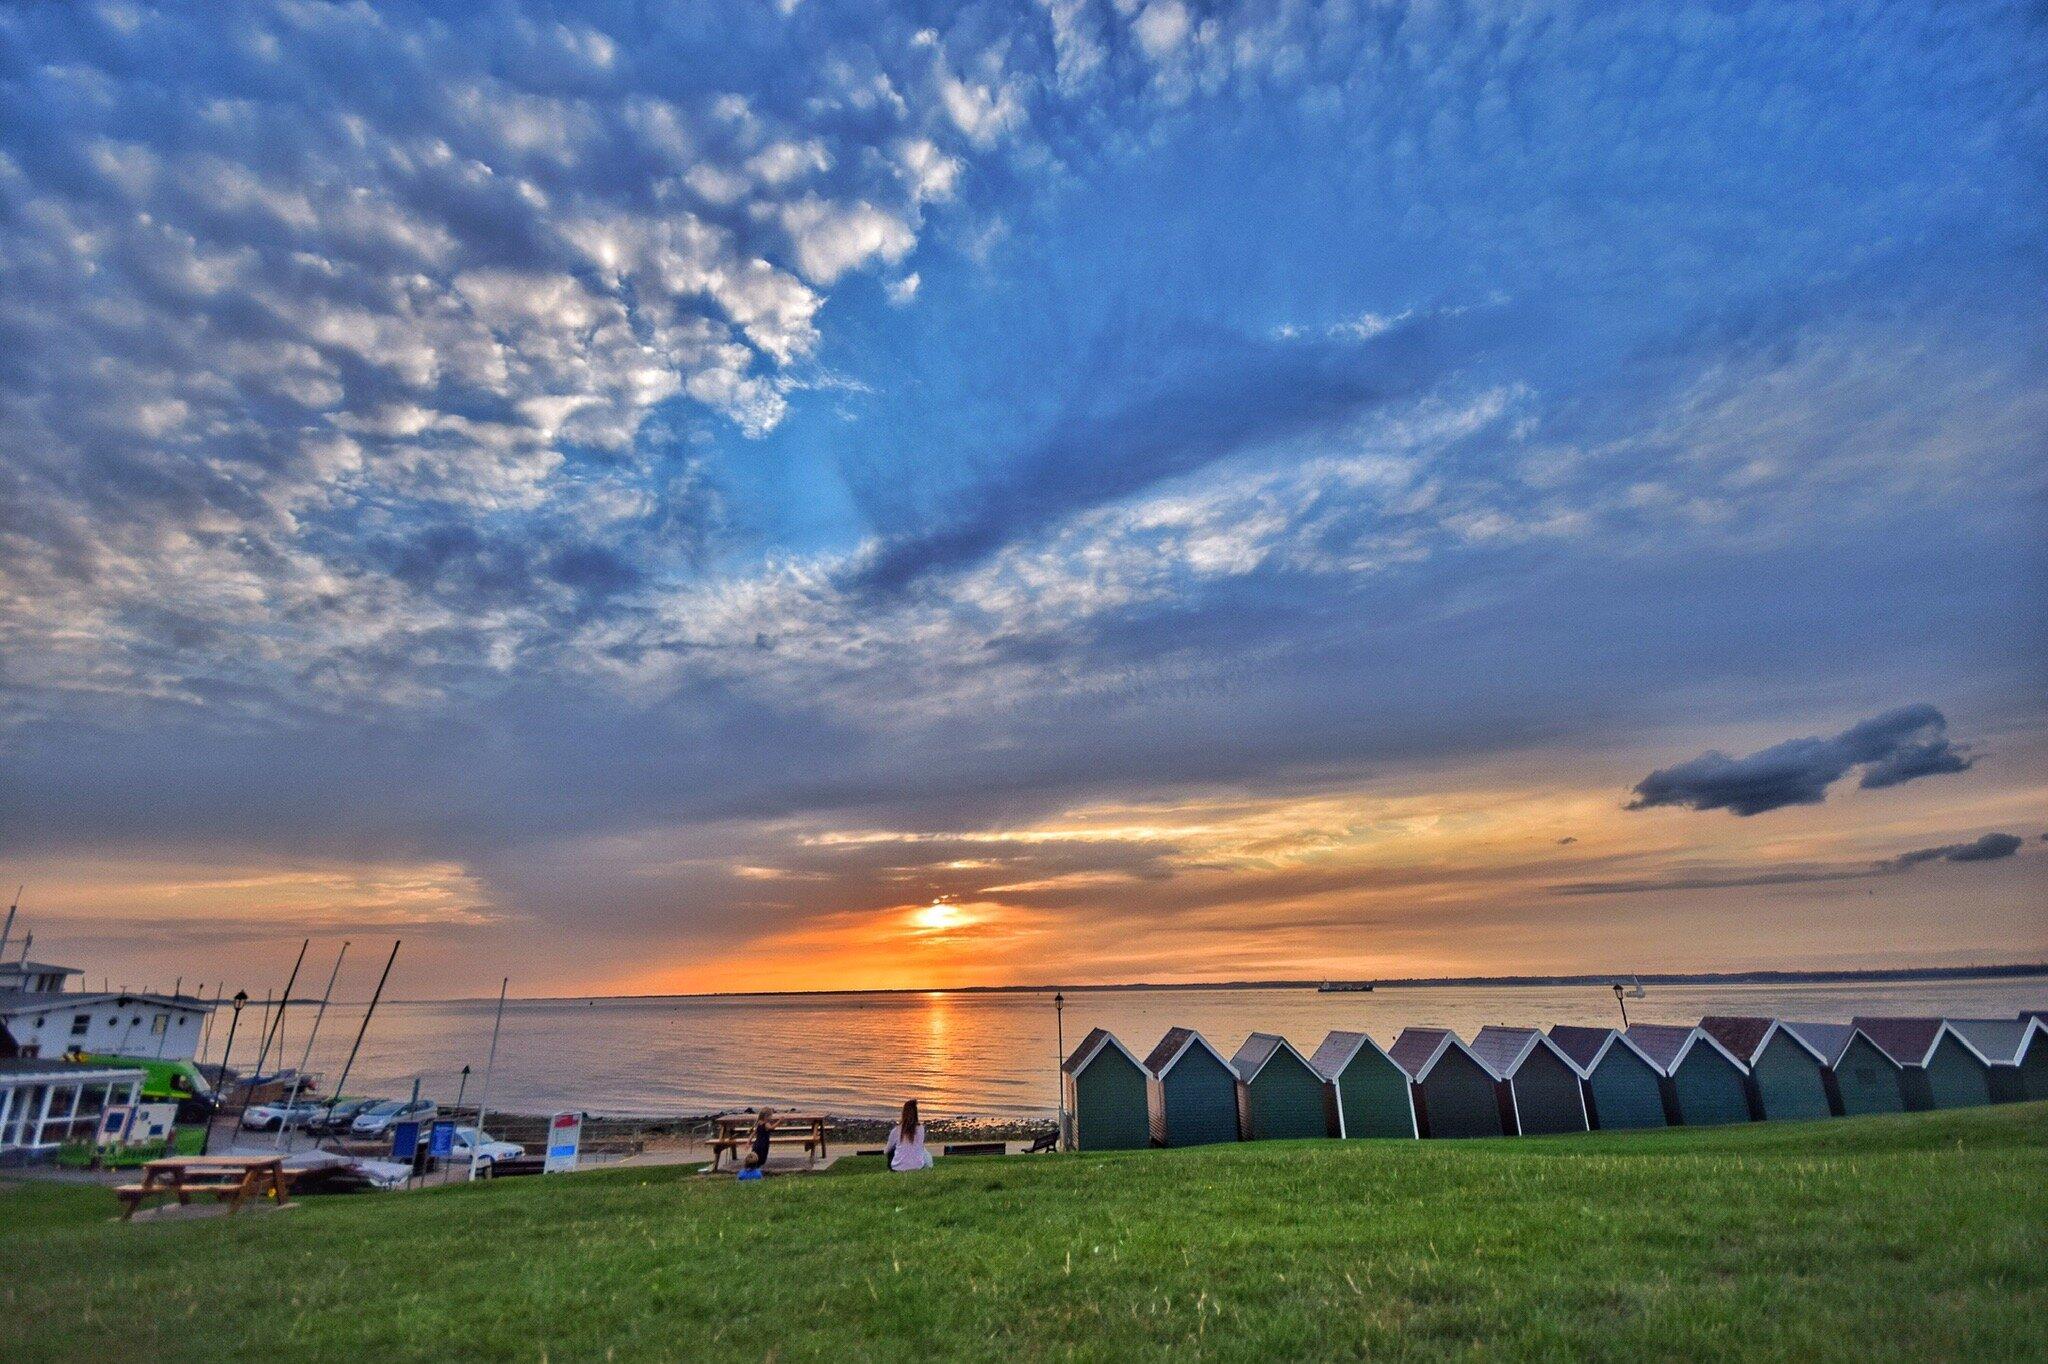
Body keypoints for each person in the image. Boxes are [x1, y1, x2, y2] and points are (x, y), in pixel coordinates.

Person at [883, 1099, 932, 1172]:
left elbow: (886, 1151)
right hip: (918, 1166)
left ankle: (898, 1165)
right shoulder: (921, 1129)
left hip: (898, 1168)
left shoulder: (896, 1130)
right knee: (923, 1150)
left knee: (892, 1150)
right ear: (916, 1114)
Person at [743, 1107, 776, 1173]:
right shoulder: (766, 1124)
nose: (772, 1117)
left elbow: (753, 1134)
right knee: (761, 1159)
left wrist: (748, 1142)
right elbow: (772, 1128)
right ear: (766, 1116)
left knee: (754, 1159)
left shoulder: (759, 1123)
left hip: (756, 1144)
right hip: (763, 1145)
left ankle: (750, 1170)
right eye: (771, 1116)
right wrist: (780, 1121)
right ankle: (755, 1172)